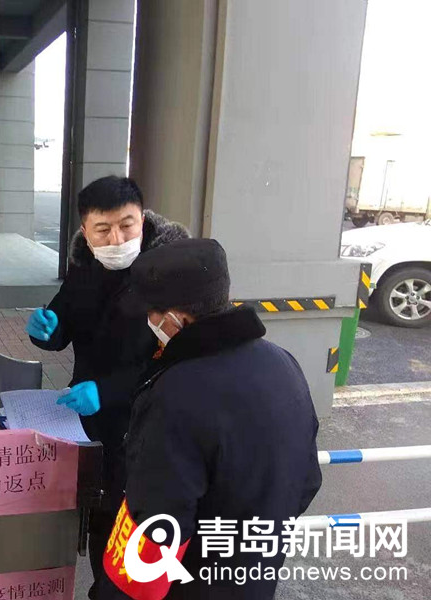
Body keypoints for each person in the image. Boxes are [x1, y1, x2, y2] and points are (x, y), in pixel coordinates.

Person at [98, 238, 322, 600]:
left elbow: (157, 528)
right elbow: (308, 479)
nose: (149, 322)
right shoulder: (283, 363)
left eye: (152, 313)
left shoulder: (174, 395)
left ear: (179, 319)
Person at [25, 176, 189, 597]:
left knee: (131, 525)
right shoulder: (84, 269)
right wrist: (46, 329)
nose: (117, 239)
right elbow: (63, 322)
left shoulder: (170, 275)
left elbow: (176, 357)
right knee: (98, 516)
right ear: (86, 232)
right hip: (88, 422)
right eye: (103, 229)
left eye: (126, 225)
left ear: (142, 219)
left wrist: (109, 391)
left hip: (145, 424)